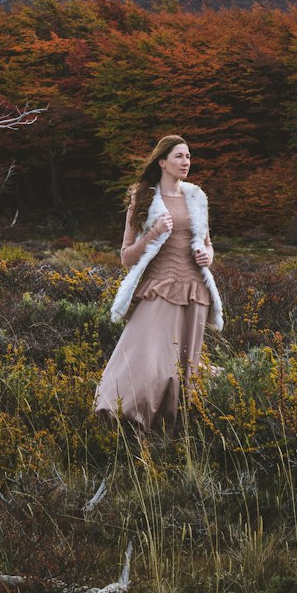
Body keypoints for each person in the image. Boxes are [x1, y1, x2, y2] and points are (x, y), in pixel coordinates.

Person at [95, 134, 223, 434]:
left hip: (195, 292)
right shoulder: (143, 200)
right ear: (162, 162)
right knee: (142, 358)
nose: (186, 162)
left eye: (189, 156)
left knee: (182, 369)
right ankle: (116, 415)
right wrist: (152, 233)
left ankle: (168, 434)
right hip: (158, 289)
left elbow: (208, 245)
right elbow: (126, 257)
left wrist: (208, 256)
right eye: (179, 156)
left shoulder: (196, 198)